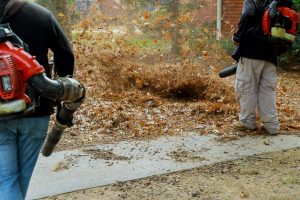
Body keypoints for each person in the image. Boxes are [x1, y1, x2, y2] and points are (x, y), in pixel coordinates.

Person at [0, 0, 75, 199]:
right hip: (37, 110)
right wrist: (61, 99)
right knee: (19, 180)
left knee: (6, 181)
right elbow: (66, 55)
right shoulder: (40, 15)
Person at [232, 0, 282, 135]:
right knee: (267, 90)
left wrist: (237, 37)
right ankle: (272, 126)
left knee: (246, 87)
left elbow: (247, 14)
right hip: (270, 54)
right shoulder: (275, 2)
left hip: (251, 52)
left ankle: (247, 122)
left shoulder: (252, 1)